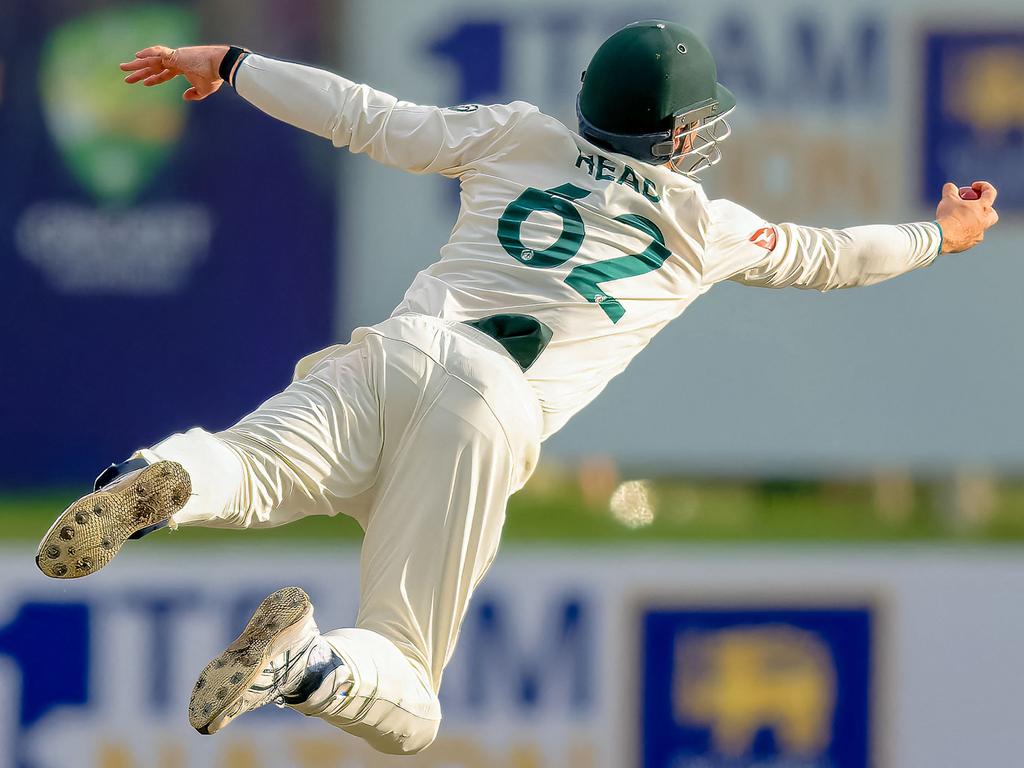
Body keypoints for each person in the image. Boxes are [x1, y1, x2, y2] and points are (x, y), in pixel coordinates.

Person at [35, 20, 998, 755]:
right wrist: (938, 236)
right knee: (408, 696)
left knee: (238, 469)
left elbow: (363, 116)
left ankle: (154, 472)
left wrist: (236, 65)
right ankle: (305, 662)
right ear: (676, 137)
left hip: (402, 350)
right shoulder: (704, 224)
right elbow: (836, 256)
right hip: (488, 408)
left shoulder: (517, 137)